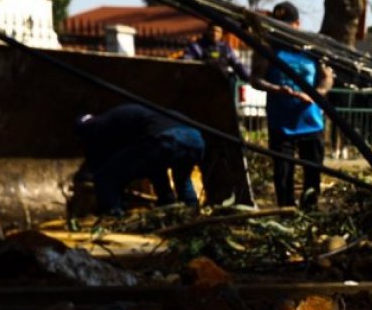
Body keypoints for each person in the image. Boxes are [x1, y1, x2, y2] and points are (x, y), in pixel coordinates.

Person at [251, 1, 333, 208]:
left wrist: (316, 93)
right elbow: (256, 78)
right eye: (277, 24)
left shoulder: (311, 49)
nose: (281, 29)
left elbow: (327, 78)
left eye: (286, 24)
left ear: (297, 24)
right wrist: (276, 89)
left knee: (312, 173)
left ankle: (310, 210)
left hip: (310, 121)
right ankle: (286, 212)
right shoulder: (267, 48)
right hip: (281, 124)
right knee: (282, 174)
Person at [74, 104, 204, 216]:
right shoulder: (119, 119)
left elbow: (97, 164)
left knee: (104, 178)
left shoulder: (95, 128)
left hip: (165, 139)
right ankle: (191, 214)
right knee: (178, 178)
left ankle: (113, 220)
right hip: (195, 139)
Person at [181, 22, 250, 82]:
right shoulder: (197, 46)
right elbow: (187, 62)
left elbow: (237, 64)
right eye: (213, 30)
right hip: (202, 84)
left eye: (218, 31)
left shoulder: (226, 48)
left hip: (221, 84)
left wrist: (248, 78)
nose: (215, 33)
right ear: (207, 31)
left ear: (221, 34)